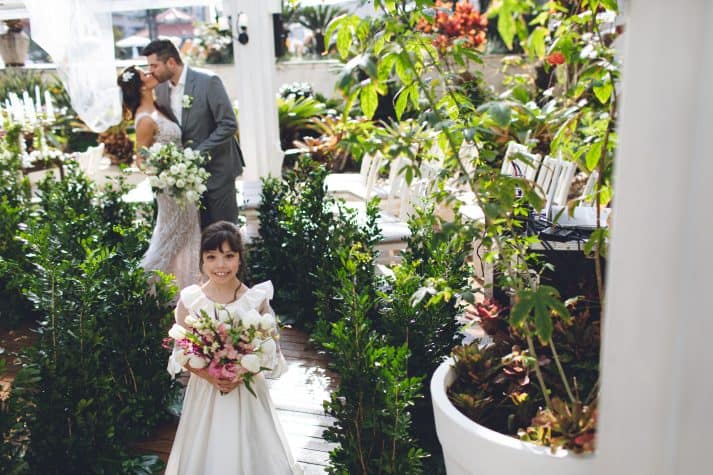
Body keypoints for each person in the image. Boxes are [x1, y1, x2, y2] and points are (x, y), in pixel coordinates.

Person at [166, 221, 301, 475]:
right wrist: (210, 376)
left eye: (229, 256)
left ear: (240, 258)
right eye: (212, 257)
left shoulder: (255, 300)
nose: (221, 265)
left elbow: (269, 350)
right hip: (206, 391)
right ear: (202, 261)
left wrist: (240, 374)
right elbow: (181, 352)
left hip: (246, 391)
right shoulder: (191, 301)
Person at [142, 39, 244, 229]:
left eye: (154, 65)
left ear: (171, 62)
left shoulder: (208, 81)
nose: (151, 71)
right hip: (184, 181)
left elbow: (228, 124)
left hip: (218, 171)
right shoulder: (161, 88)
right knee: (198, 237)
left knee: (224, 232)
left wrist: (196, 155)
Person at [117, 65, 200, 291]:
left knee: (187, 234)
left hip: (184, 183)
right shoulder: (145, 120)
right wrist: (167, 172)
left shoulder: (159, 106)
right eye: (145, 73)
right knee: (170, 235)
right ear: (141, 86)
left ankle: (187, 286)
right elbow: (141, 160)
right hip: (170, 187)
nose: (150, 73)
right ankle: (145, 286)